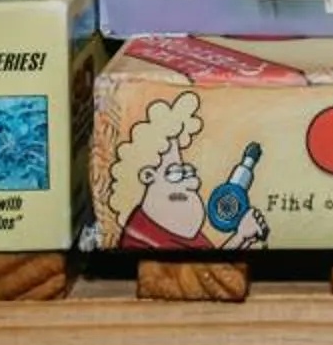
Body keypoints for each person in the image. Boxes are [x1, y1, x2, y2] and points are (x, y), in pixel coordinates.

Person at [108, 90, 268, 251]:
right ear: (149, 175)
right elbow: (205, 270)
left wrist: (244, 237)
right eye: (177, 173)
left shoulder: (179, 231)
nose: (194, 182)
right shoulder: (142, 237)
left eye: (188, 171)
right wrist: (240, 236)